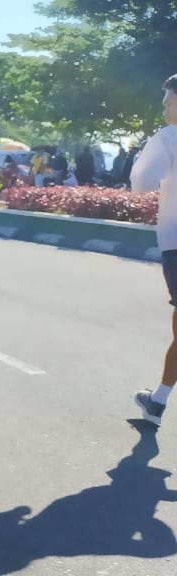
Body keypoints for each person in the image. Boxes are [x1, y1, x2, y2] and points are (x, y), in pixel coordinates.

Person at [132, 74, 177, 428]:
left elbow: (141, 183)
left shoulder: (168, 138)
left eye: (167, 103)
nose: (164, 111)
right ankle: (158, 401)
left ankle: (158, 402)